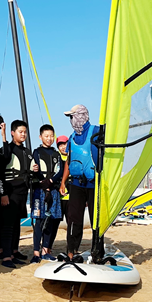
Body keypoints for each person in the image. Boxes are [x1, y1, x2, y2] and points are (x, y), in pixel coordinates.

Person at [59, 105, 101, 263]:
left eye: (73, 116)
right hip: (76, 184)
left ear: (82, 116)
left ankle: (97, 251)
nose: (72, 120)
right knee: (73, 219)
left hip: (93, 184)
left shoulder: (97, 132)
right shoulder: (72, 137)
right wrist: (63, 182)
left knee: (95, 220)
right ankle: (71, 252)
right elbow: (68, 162)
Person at [0, 120, 34, 268]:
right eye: (20, 132)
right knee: (7, 224)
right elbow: (0, 173)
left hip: (22, 193)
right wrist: (3, 194)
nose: (23, 134)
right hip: (9, 192)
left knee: (16, 223)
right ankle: (6, 256)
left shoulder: (26, 152)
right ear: (13, 133)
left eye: (25, 132)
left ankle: (13, 251)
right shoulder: (7, 149)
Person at [30, 124, 63, 263]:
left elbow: (60, 171)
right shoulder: (37, 152)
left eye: (51, 136)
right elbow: (35, 168)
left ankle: (46, 250)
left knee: (50, 221)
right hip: (40, 191)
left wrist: (50, 181)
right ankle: (36, 252)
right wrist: (44, 182)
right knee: (38, 221)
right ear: (40, 137)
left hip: (53, 191)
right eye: (46, 136)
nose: (49, 139)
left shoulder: (56, 154)